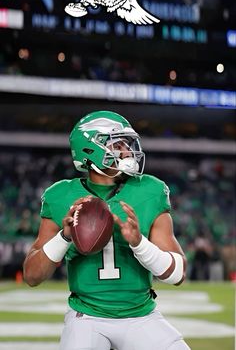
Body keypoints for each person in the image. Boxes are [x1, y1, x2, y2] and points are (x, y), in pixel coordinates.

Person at [23, 110, 190, 350]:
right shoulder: (60, 196)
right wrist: (64, 237)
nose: (127, 150)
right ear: (90, 149)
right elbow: (32, 275)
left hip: (141, 315)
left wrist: (139, 243)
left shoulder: (150, 190)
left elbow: (177, 275)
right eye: (118, 143)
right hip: (87, 317)